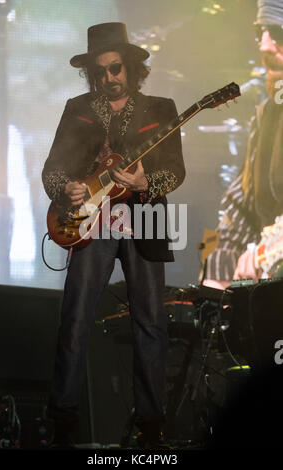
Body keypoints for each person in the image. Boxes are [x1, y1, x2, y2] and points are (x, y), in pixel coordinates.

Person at [42, 22, 185, 449]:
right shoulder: (78, 108)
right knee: (75, 318)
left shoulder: (161, 107)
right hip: (91, 218)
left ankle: (151, 426)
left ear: (133, 68)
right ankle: (62, 422)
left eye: (116, 68)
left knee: (151, 323)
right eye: (100, 71)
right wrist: (63, 188)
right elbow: (53, 170)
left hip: (145, 216)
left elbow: (176, 171)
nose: (109, 77)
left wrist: (145, 183)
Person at [204, 0, 283, 289]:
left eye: (278, 33)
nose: (264, 46)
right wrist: (218, 272)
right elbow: (241, 205)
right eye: (261, 31)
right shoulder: (268, 116)